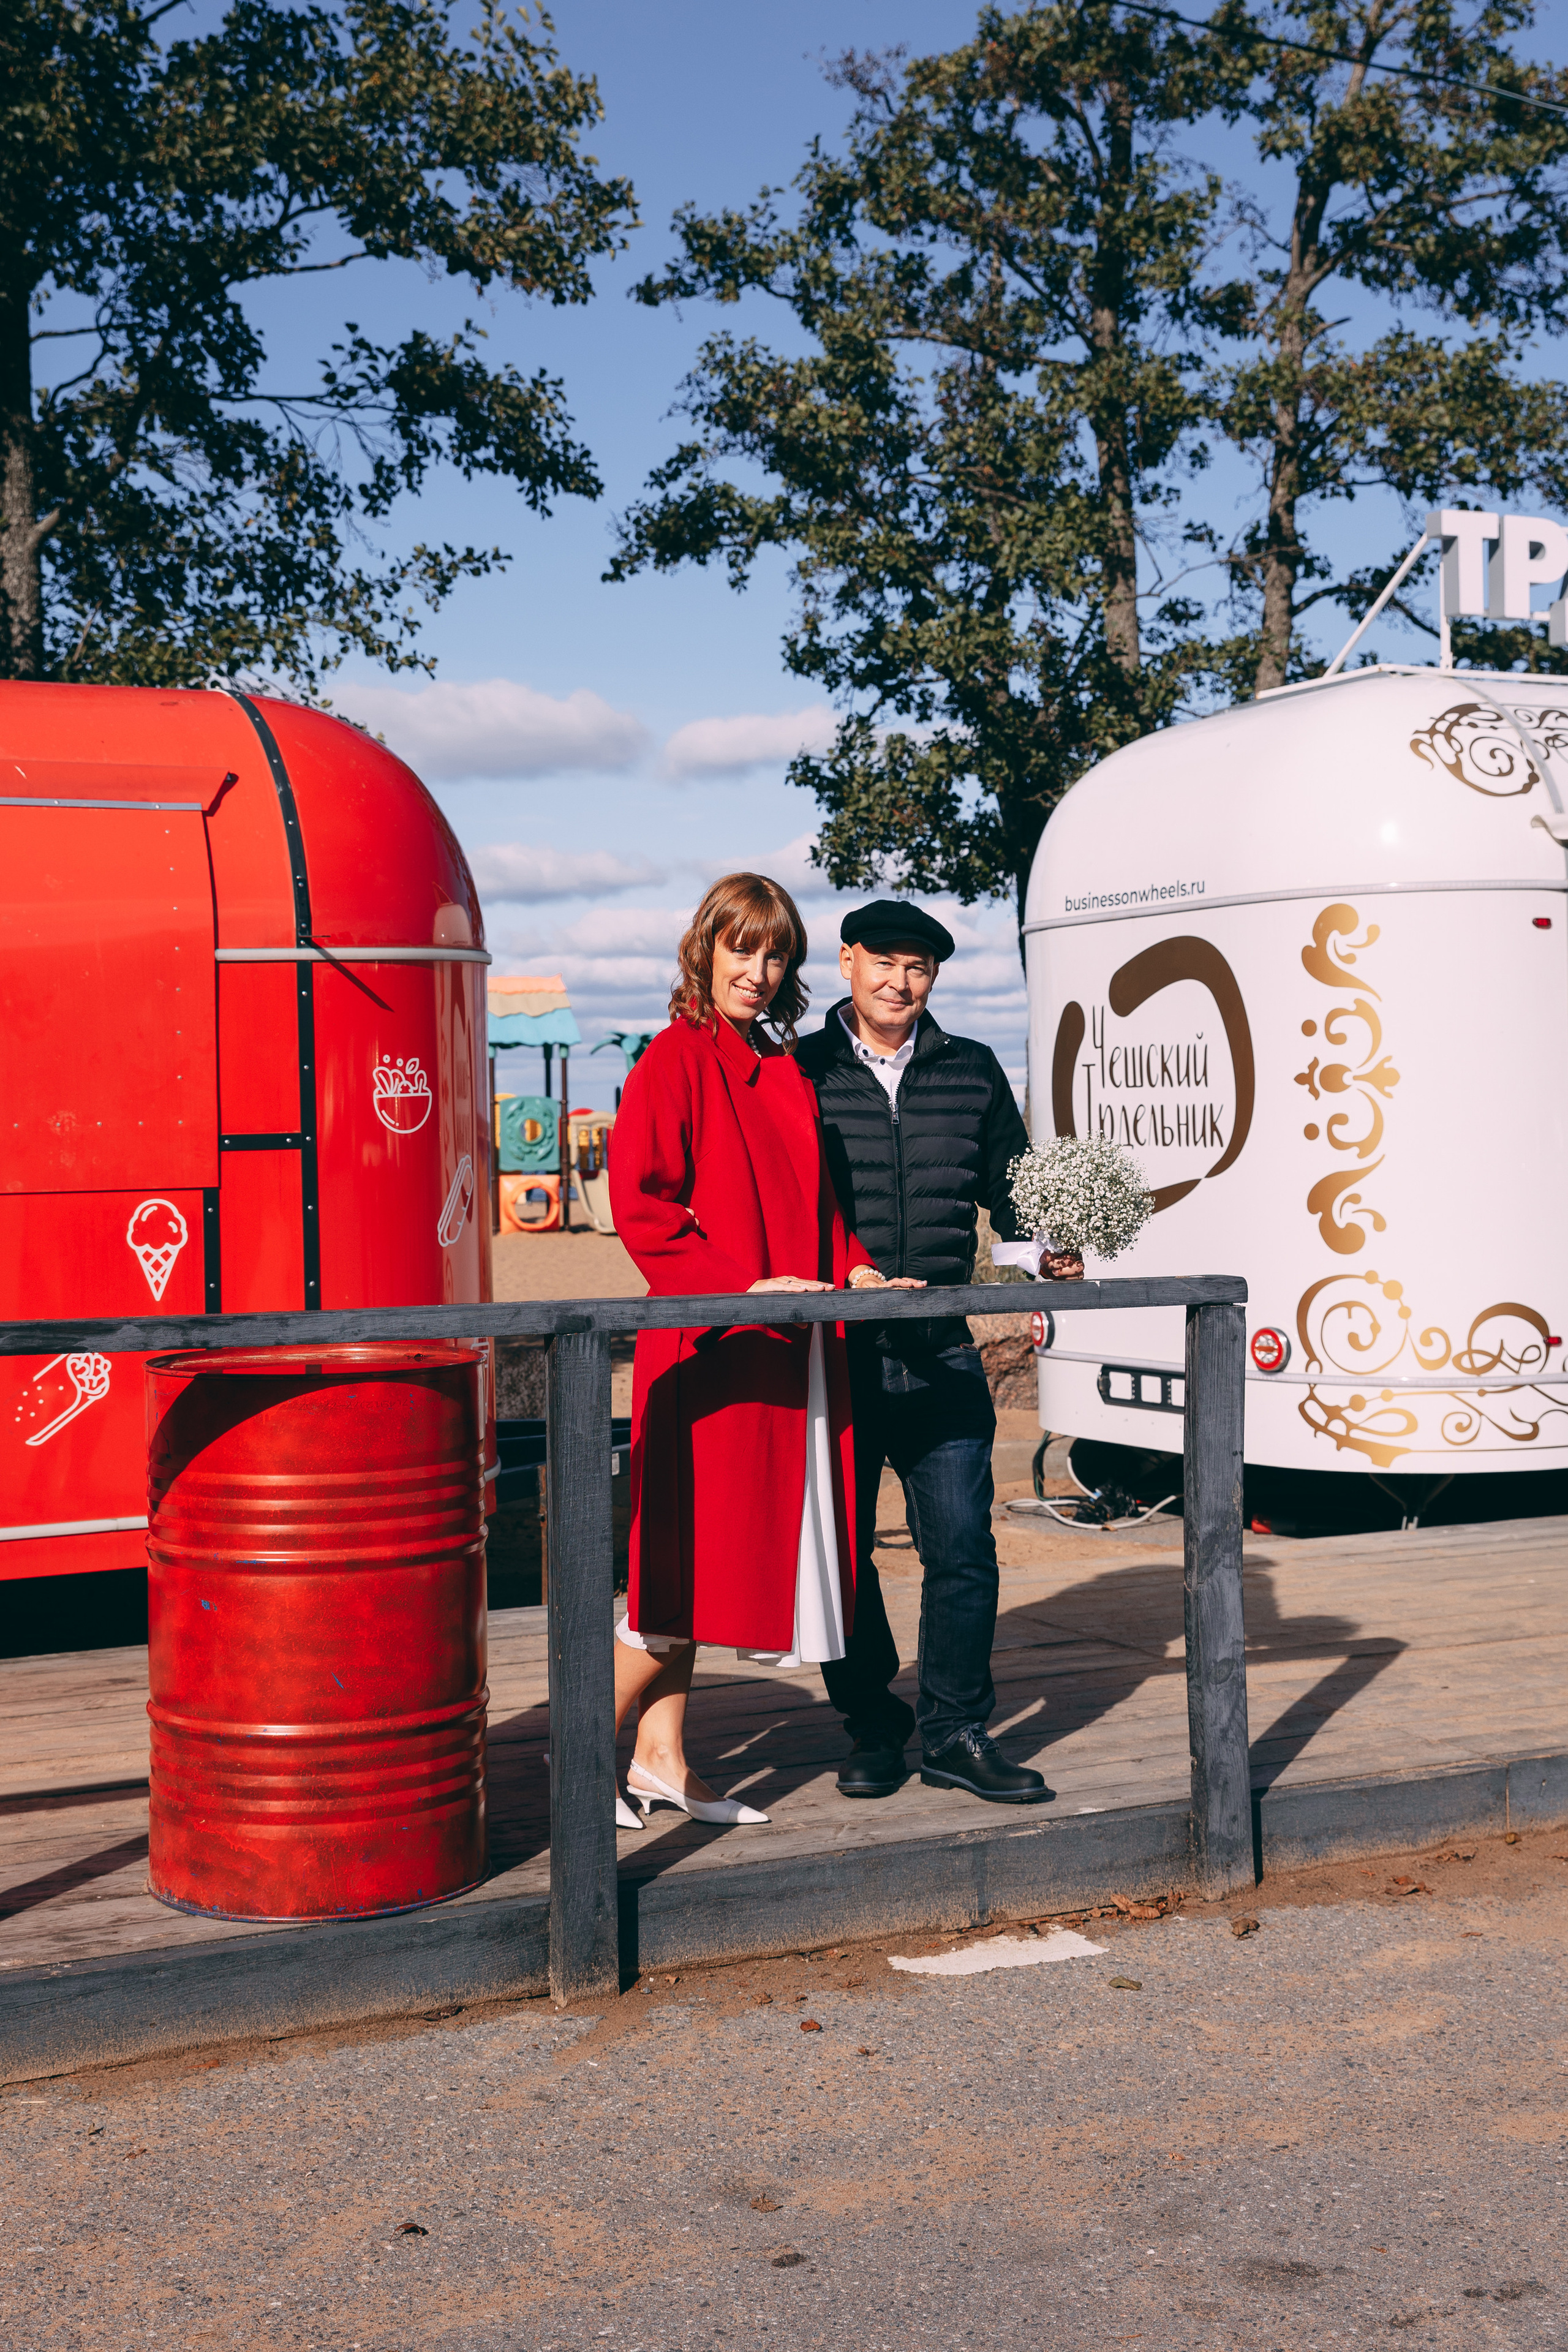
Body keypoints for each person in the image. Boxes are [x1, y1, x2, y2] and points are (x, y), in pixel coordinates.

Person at [606, 872, 920, 1833]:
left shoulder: (775, 1065)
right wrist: (736, 1286)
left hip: (788, 1347)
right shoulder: (674, 1058)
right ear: (705, 949)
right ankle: (575, 1760)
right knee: (680, 1574)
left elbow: (821, 1214)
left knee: (698, 1573)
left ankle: (661, 1761)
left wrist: (859, 1271)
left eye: (774, 952)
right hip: (715, 1352)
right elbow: (643, 1205)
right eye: (741, 948)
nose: (758, 968)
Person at [794, 899, 1081, 1806]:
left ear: (935, 978)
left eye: (919, 968)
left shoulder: (971, 1069)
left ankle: (955, 1732)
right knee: (842, 1555)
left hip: (942, 1350)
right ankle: (873, 1727)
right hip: (835, 1353)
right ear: (847, 962)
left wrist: (1047, 1255)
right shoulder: (795, 1071)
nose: (899, 982)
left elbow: (1013, 1194)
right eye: (883, 963)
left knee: (962, 1549)